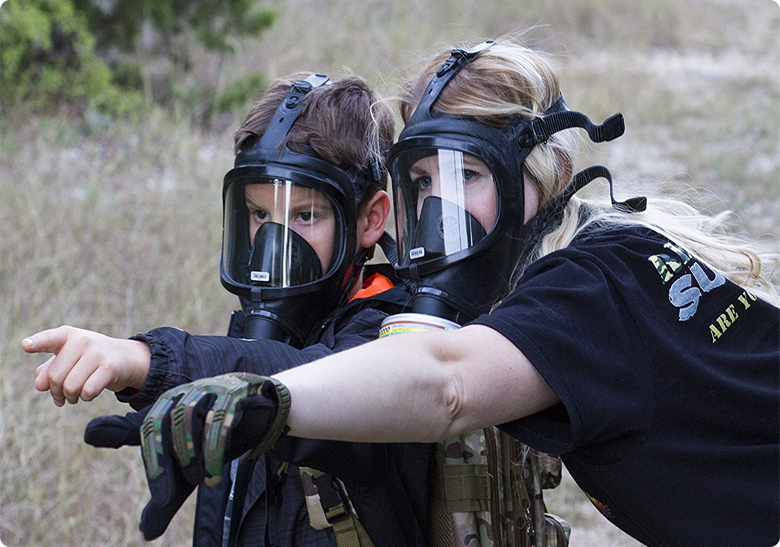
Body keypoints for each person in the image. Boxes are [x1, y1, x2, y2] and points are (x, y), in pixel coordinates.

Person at [91, 40, 780, 547]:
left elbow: (444, 382)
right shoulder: (614, 252)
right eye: (422, 182)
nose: (440, 210)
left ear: (547, 170)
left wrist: (265, 398)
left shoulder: (588, 287)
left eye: (468, 173)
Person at [24, 72, 433, 547]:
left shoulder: (393, 334)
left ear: (370, 220)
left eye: (305, 216)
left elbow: (312, 379)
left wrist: (145, 360)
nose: (275, 244)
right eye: (260, 215)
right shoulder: (251, 337)